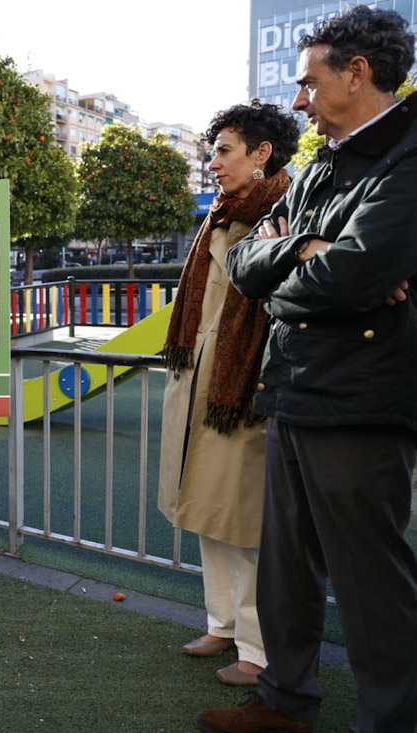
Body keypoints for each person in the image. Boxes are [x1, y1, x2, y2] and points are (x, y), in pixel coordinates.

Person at [198, 7, 417, 733]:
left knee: (370, 582)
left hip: (362, 400)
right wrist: (301, 249)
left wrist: (298, 268)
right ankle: (284, 704)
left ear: (357, 74)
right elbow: (244, 263)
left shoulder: (408, 156)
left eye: (308, 83)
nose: (298, 101)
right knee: (286, 568)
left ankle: (391, 719)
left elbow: (354, 276)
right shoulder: (324, 163)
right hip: (293, 387)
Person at [158, 101, 299, 688]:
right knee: (209, 511)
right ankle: (221, 623)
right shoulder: (221, 213)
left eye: (223, 150)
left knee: (247, 524)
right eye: (212, 151)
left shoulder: (290, 209)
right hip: (205, 384)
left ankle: (257, 647)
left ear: (261, 153)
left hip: (247, 388)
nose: (212, 163)